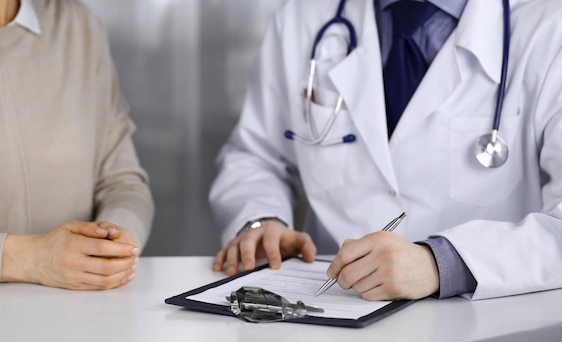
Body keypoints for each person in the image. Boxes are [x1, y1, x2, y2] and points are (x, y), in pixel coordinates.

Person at [209, 0, 562, 301]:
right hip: (326, 308)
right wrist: (263, 220)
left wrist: (444, 263)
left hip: (482, 319)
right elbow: (256, 157)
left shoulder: (549, 27)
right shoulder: (304, 16)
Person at [0, 0, 154, 290]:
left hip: (79, 318)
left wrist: (111, 246)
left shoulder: (76, 25)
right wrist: (30, 258)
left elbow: (123, 182)